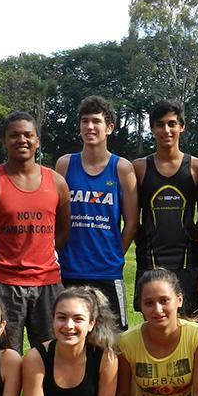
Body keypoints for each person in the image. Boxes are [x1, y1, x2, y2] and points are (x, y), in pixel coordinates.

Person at [0, 111, 71, 353]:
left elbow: (64, 231)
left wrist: (44, 255)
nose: (21, 140)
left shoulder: (56, 182)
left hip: (47, 282)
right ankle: (6, 393)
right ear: (4, 141)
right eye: (14, 135)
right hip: (3, 283)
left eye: (28, 135)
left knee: (50, 353)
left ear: (37, 141)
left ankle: (42, 393)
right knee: (4, 355)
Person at [56, 96, 138, 329]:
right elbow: (56, 216)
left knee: (113, 339)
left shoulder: (122, 168)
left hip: (107, 271)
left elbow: (132, 223)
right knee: (69, 336)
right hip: (69, 269)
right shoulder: (65, 165)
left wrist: (114, 255)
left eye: (96, 121)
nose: (89, 127)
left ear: (109, 128)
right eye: (85, 121)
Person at [133, 99, 198, 320]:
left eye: (172, 124)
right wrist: (144, 242)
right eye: (160, 124)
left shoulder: (197, 167)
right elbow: (131, 217)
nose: (166, 130)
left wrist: (194, 240)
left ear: (181, 127)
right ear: (152, 128)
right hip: (151, 262)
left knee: (191, 332)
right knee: (156, 328)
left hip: (187, 262)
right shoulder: (139, 168)